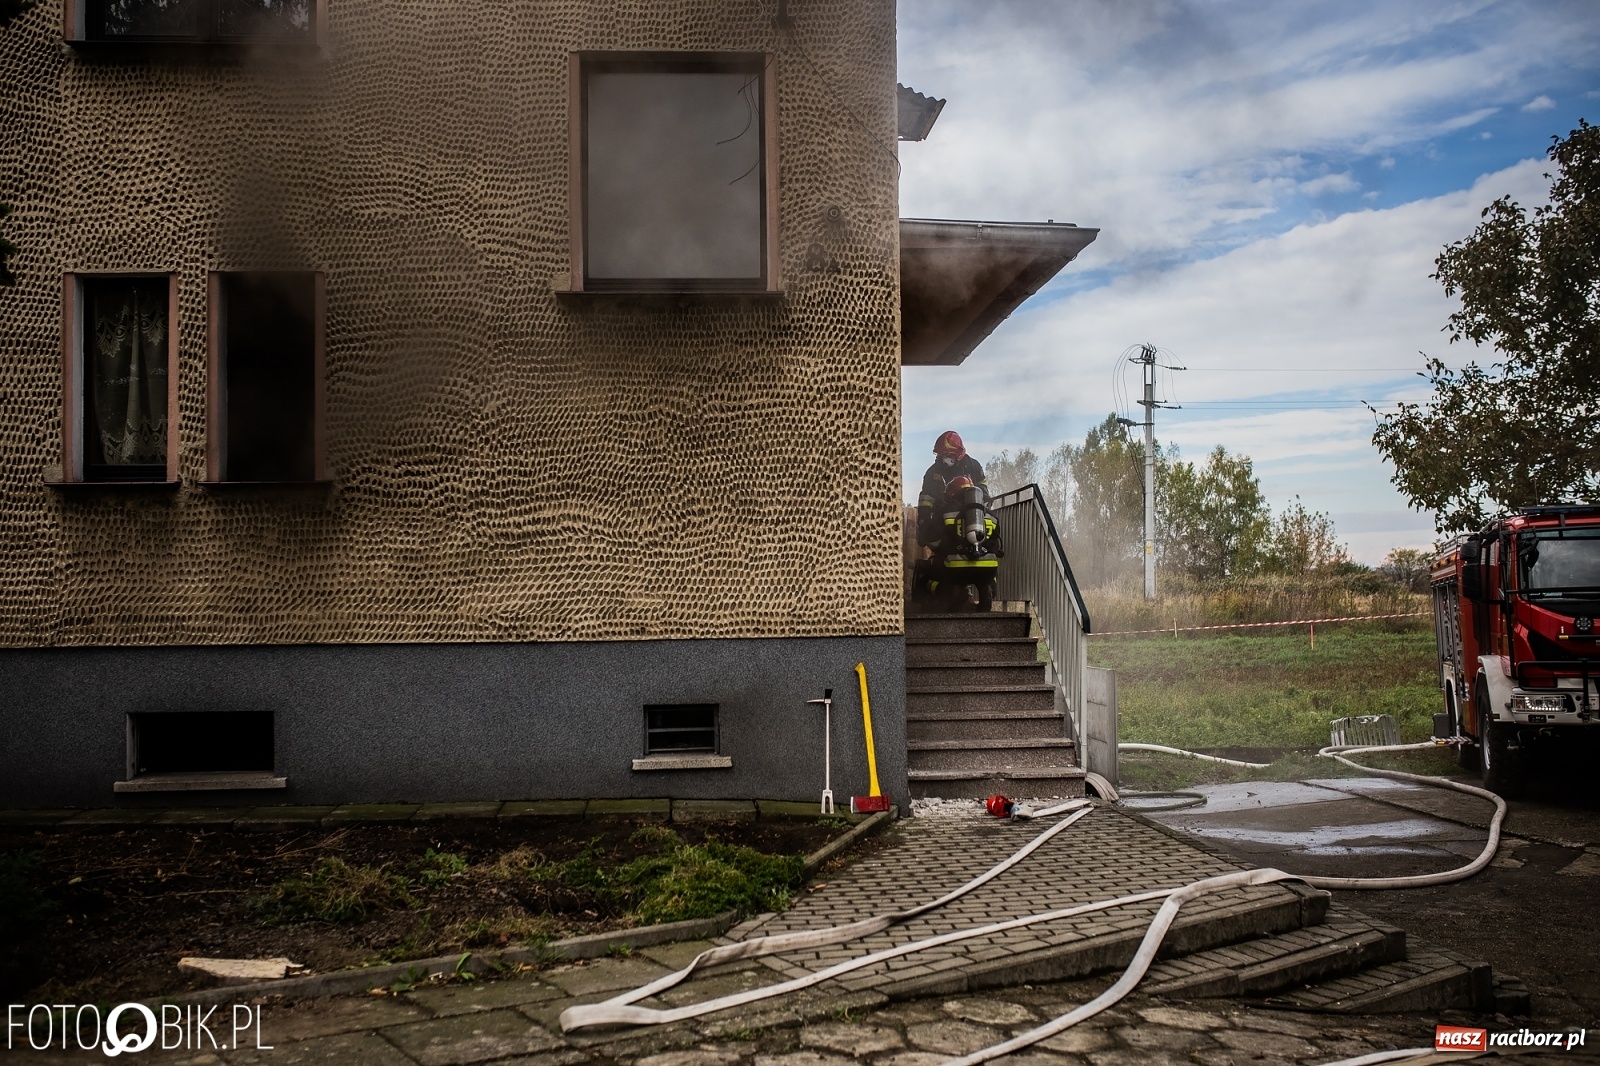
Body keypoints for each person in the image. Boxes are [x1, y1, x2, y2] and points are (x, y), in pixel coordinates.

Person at [917, 431, 988, 547]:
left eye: (948, 455)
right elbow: (926, 497)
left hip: (971, 515)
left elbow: (982, 483)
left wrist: (984, 495)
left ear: (958, 454)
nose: (944, 459)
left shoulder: (972, 466)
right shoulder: (933, 472)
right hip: (943, 517)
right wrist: (924, 522)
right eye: (941, 455)